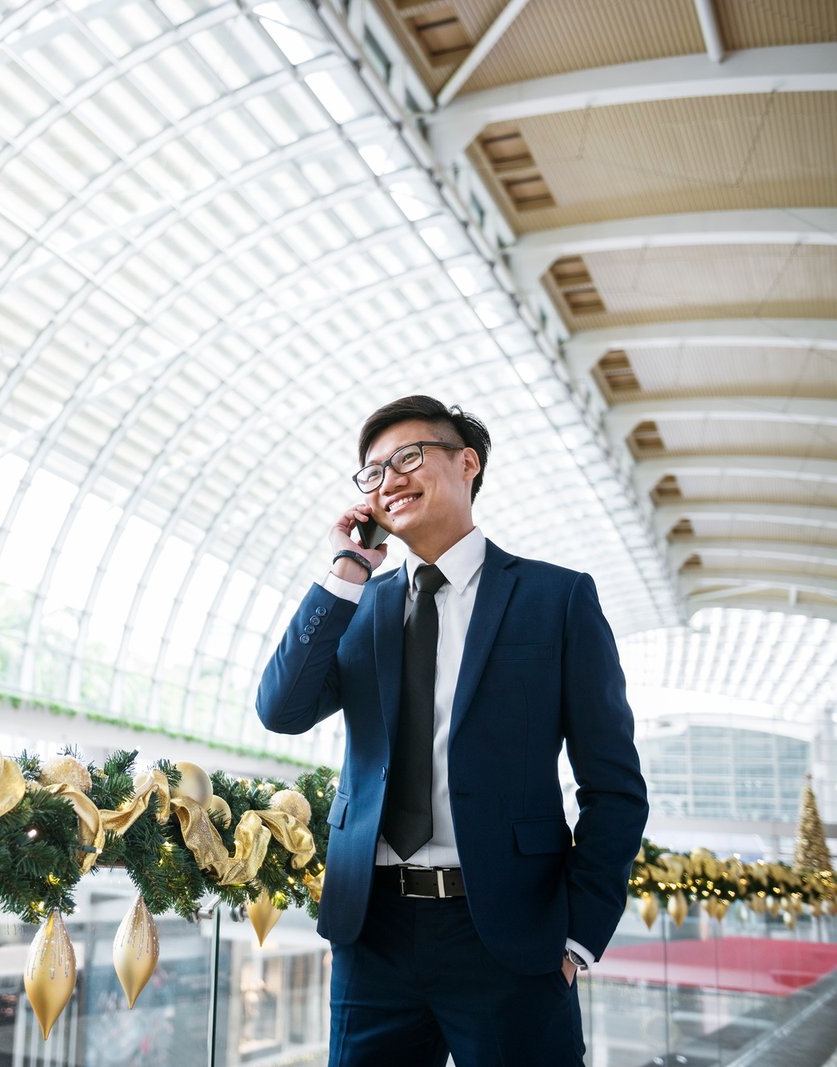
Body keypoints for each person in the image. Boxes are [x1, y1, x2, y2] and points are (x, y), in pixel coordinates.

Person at [256, 395, 648, 1066]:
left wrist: (578, 937)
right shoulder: (360, 604)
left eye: (408, 456)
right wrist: (347, 569)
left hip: (510, 933)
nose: (389, 480)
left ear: (467, 462)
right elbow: (282, 708)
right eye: (373, 472)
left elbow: (613, 785)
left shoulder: (557, 599)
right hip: (371, 929)